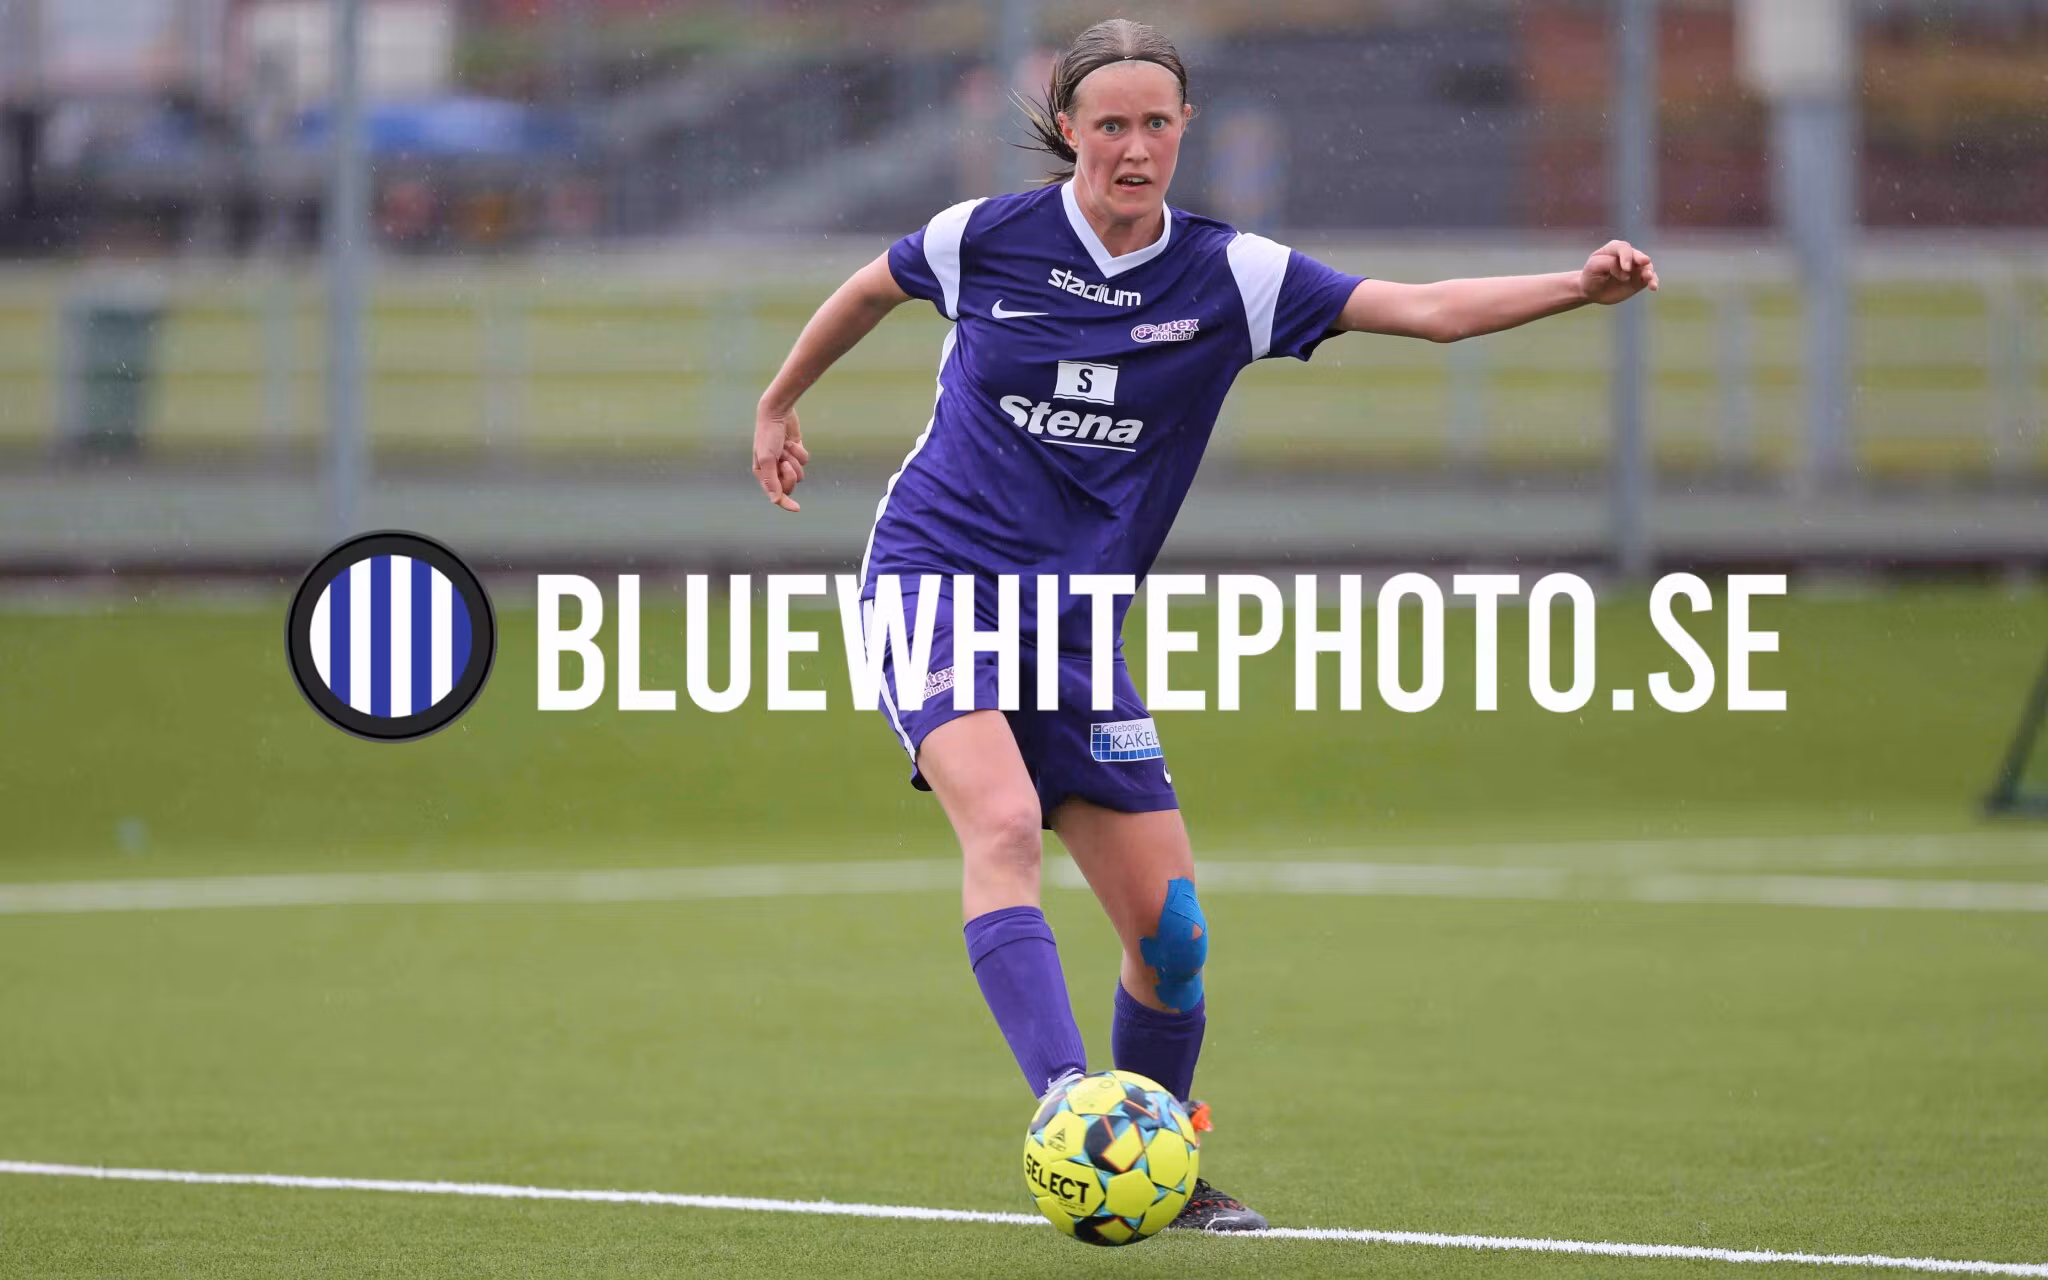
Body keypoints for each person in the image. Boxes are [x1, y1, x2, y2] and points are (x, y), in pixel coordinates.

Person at [751, 18, 1656, 1232]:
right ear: (1066, 128)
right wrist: (779, 402)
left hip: (1075, 625)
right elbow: (873, 285)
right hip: (936, 578)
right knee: (1003, 823)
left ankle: (1160, 1159)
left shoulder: (1228, 276)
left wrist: (1576, 286)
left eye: (1154, 124)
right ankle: (1069, 1104)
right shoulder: (985, 237)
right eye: (1108, 125)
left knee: (1172, 937)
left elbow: (1425, 308)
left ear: (1184, 128)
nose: (1133, 148)